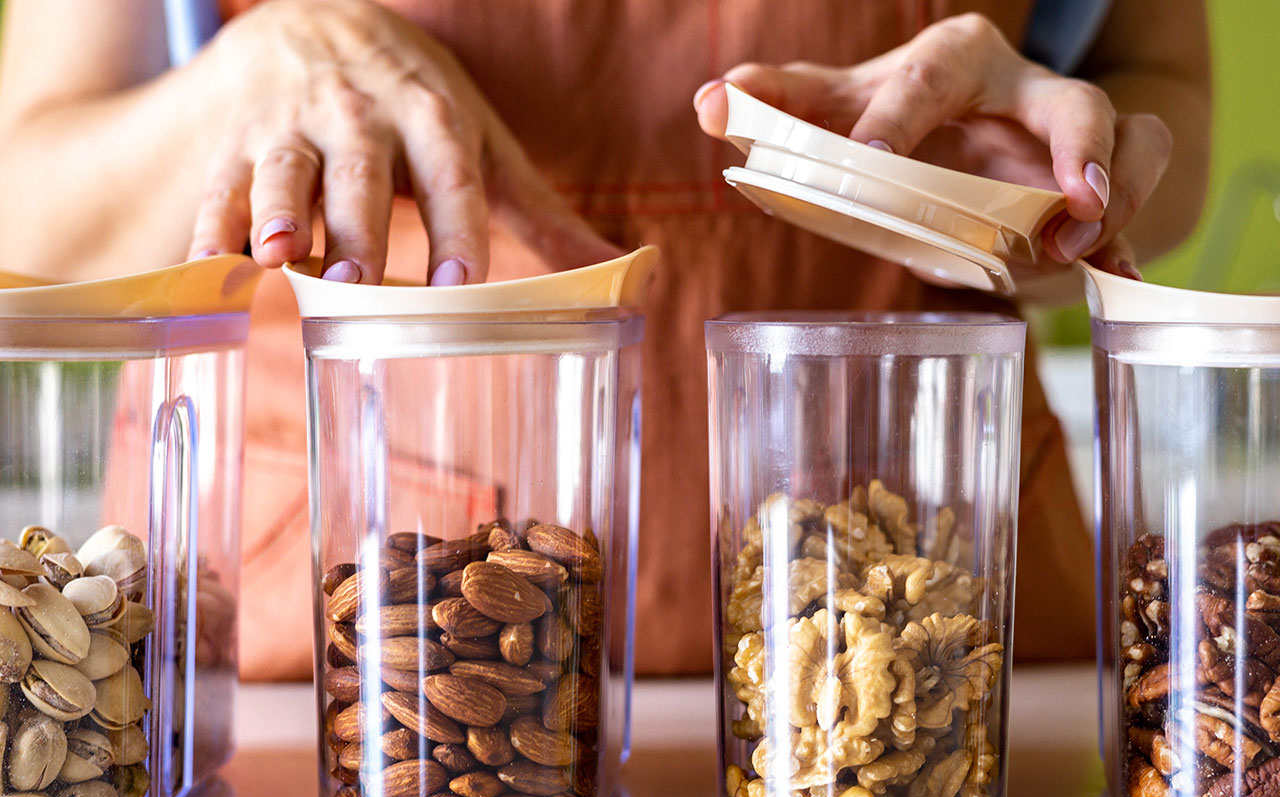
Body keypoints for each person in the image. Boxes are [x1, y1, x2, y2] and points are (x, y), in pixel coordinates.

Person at [0, 0, 1210, 679]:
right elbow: (26, 198)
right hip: (326, 671)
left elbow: (1165, 107)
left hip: (934, 653)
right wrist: (245, 77)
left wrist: (1047, 193)